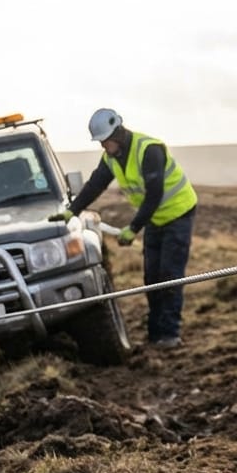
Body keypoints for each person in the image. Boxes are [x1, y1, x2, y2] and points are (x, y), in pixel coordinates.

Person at [49, 108, 198, 349]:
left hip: (178, 214)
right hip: (155, 220)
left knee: (169, 275)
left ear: (118, 133)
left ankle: (169, 334)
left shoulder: (149, 150)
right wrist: (71, 211)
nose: (103, 146)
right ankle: (154, 333)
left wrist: (133, 228)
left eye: (105, 141)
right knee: (152, 277)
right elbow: (95, 185)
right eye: (100, 142)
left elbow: (154, 194)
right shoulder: (111, 157)